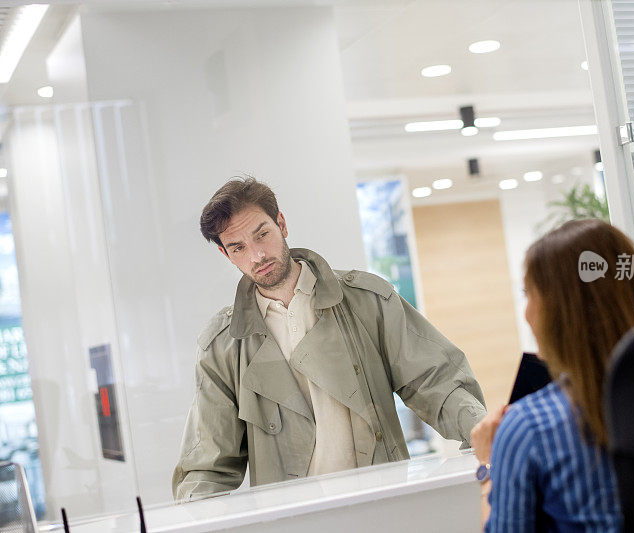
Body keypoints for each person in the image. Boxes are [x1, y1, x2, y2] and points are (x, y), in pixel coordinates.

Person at [172, 177, 487, 500]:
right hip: (295, 520)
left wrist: (486, 436)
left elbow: (437, 383)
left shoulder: (368, 300)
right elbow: (207, 467)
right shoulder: (222, 347)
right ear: (227, 255)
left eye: (262, 235)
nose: (256, 255)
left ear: (281, 223)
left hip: (385, 506)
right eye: (238, 248)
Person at [471, 219, 634, 532]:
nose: (527, 312)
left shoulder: (530, 427)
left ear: (560, 312)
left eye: (529, 294)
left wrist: (487, 466)